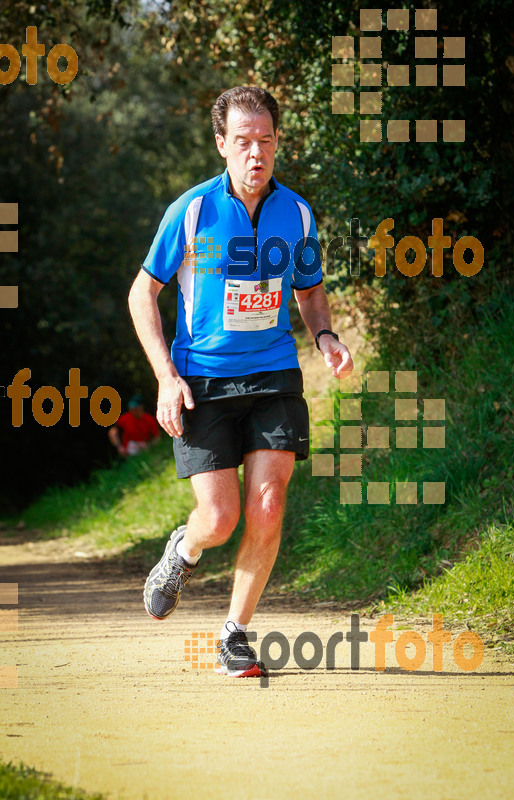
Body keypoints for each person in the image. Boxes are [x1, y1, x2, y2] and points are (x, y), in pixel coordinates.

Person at [128, 85, 353, 678]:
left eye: (267, 141)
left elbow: (308, 290)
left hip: (275, 372)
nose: (257, 153)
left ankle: (235, 632)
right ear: (222, 144)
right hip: (203, 380)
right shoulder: (192, 212)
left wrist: (325, 337)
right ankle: (185, 549)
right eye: (244, 141)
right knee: (220, 519)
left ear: (278, 143)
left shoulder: (296, 213)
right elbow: (142, 293)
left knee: (270, 502)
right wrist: (165, 377)